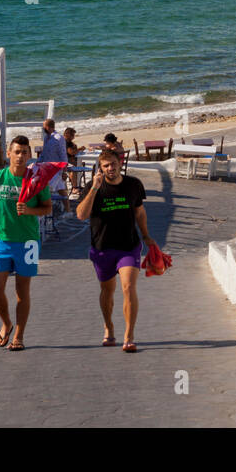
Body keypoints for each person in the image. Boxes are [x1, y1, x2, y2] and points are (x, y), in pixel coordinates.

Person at [0, 135, 51, 351]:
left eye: (24, 152)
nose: (20, 156)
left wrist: (30, 210)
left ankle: (19, 335)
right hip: (1, 242)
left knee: (22, 292)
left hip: (28, 243)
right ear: (8, 154)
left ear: (29, 155)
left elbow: (47, 208)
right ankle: (7, 323)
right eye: (16, 152)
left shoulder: (36, 181)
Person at [75, 149, 153, 352]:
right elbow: (81, 215)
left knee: (128, 287)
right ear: (100, 168)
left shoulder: (133, 184)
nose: (110, 168)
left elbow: (139, 211)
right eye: (105, 166)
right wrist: (94, 189)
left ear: (120, 163)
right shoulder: (93, 187)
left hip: (129, 246)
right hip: (102, 248)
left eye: (113, 164)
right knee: (107, 291)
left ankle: (129, 335)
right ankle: (109, 326)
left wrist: (146, 235)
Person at [39, 118, 69, 214]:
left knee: (47, 190)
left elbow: (63, 155)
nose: (42, 128)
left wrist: (64, 171)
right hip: (46, 168)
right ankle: (67, 210)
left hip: (56, 170)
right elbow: (43, 153)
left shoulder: (59, 138)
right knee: (61, 189)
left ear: (48, 127)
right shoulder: (46, 138)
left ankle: (47, 211)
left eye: (44, 127)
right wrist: (37, 164)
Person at [63, 127, 80, 196]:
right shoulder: (66, 142)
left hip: (67, 159)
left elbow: (72, 150)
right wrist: (78, 149)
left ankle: (75, 184)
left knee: (77, 163)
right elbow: (72, 152)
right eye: (72, 135)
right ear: (68, 135)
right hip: (65, 161)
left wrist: (76, 148)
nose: (73, 137)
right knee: (74, 169)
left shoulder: (66, 141)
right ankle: (74, 187)